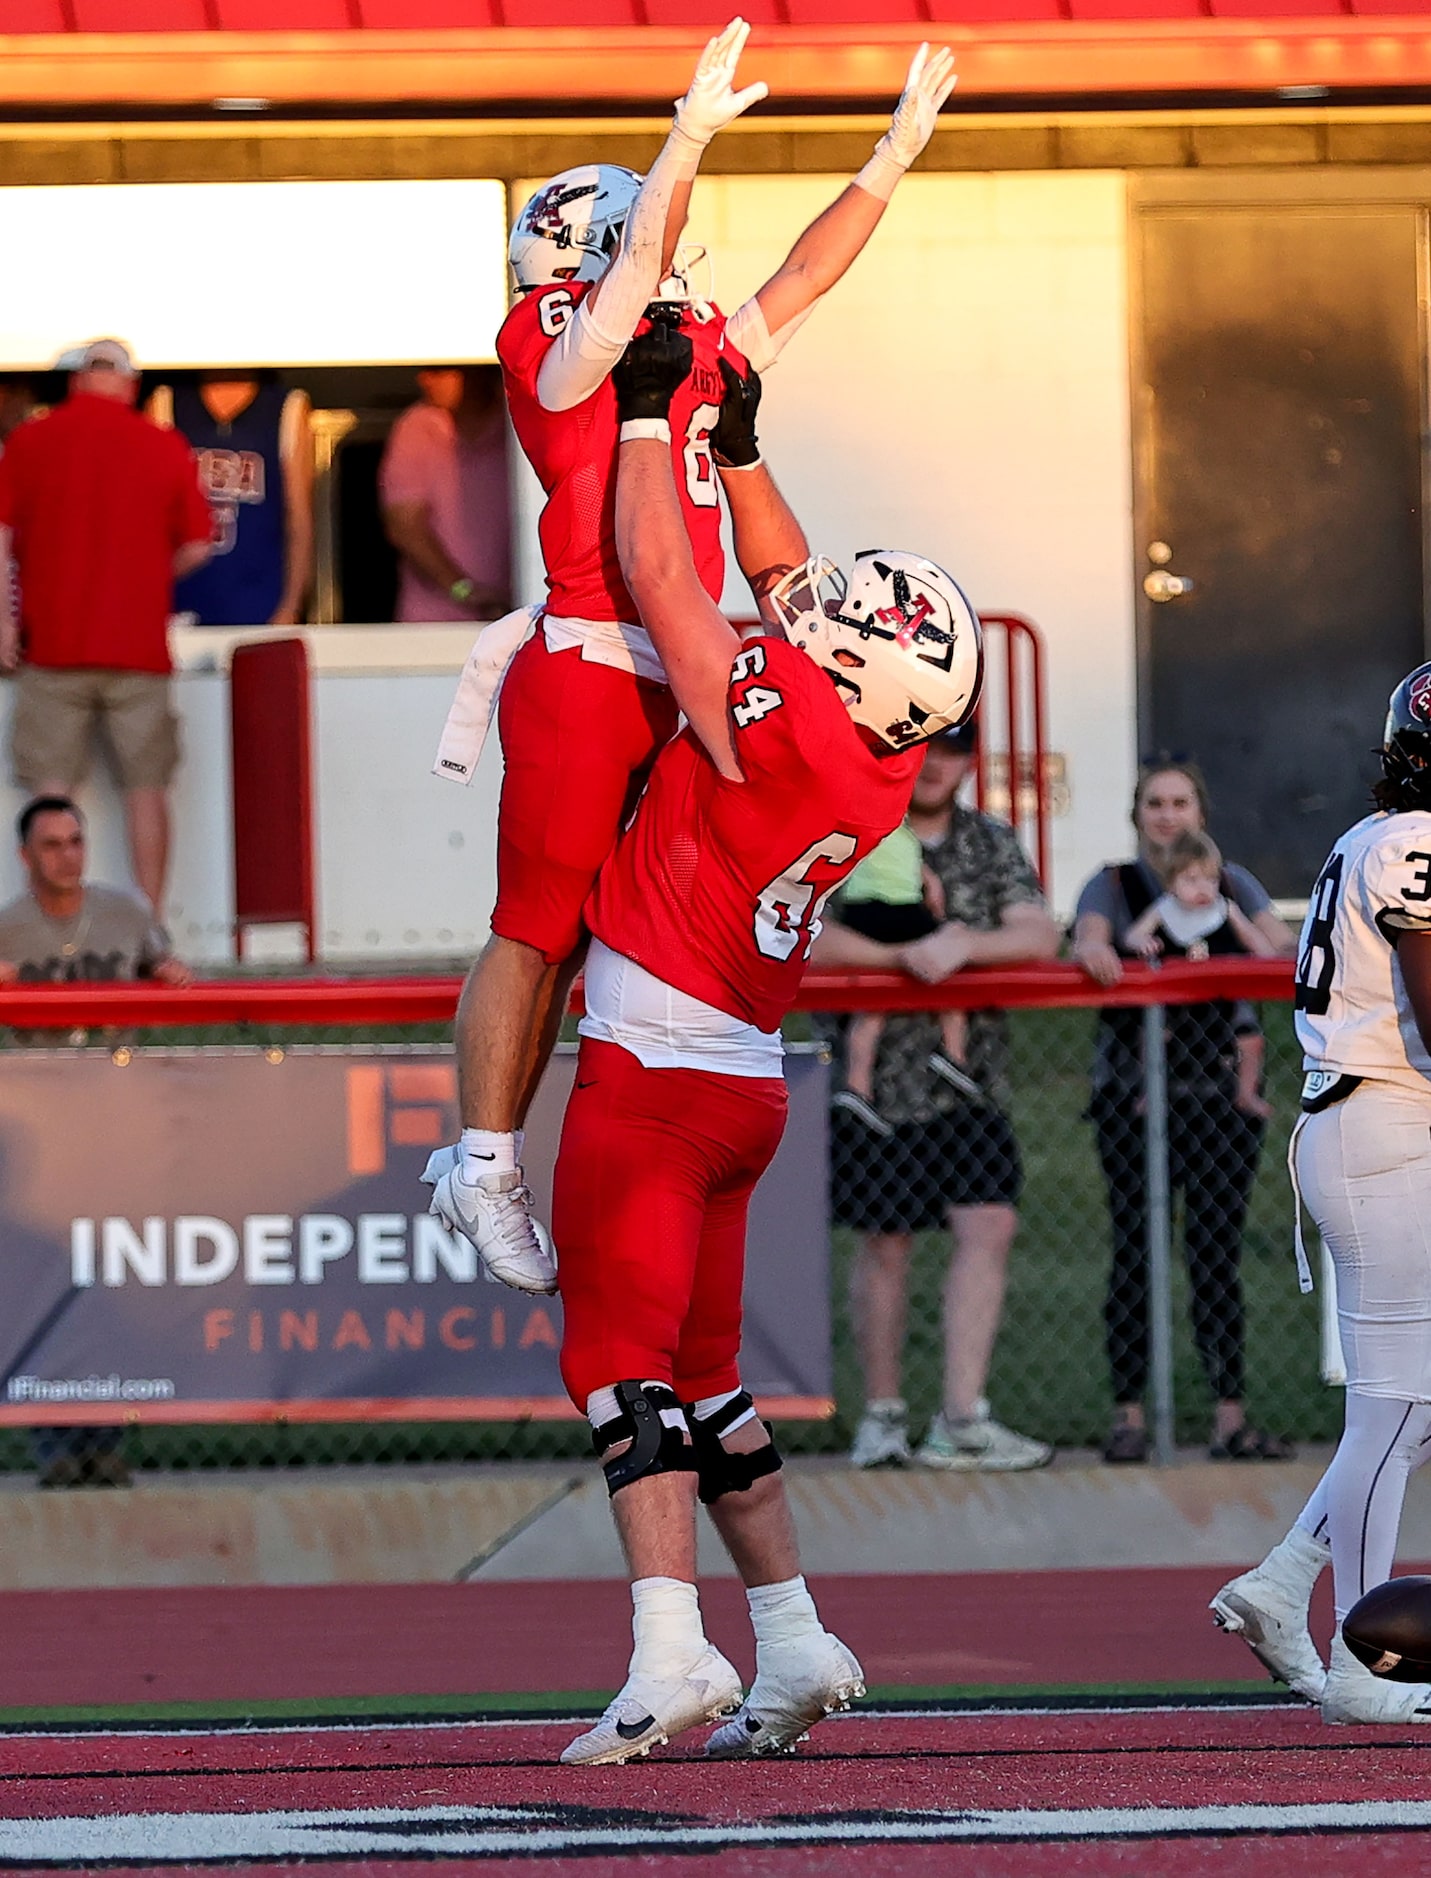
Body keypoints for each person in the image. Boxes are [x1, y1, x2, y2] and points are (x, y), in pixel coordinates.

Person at [426, 22, 959, 1294]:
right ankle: (484, 1161)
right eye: (654, 244)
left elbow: (799, 283)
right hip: (592, 661)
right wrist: (684, 142)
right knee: (538, 924)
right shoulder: (556, 341)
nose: (682, 266)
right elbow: (610, 323)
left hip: (681, 676)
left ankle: (603, 1133)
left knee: (628, 932)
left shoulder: (678, 347)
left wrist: (887, 161)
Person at [550, 324, 981, 1766]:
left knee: (619, 1365)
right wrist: (735, 446)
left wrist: (637, 417)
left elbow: (669, 581)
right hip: (740, 1083)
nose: (814, 602)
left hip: (658, 1067)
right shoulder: (878, 746)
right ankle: (794, 1635)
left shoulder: (779, 717)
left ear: (846, 661)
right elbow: (788, 584)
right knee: (713, 1375)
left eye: (840, 613)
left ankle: (669, 1645)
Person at [1210, 663, 1431, 1724]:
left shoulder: (1370, 837)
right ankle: (1361, 1666)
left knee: (1413, 1402)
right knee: (1394, 1405)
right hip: (1384, 1129)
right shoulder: (1411, 844)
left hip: (1369, 1125)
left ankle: (1287, 1579)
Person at [809, 721, 1061, 1472]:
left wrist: (961, 946)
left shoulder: (987, 840)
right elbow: (801, 934)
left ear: (967, 762)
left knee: (988, 1226)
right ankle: (882, 1417)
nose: (933, 766)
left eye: (951, 751)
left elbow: (1036, 932)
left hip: (969, 1080)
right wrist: (902, 957)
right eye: (921, 749)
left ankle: (961, 1418)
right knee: (884, 1244)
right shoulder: (849, 830)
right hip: (876, 1090)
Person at [1071, 763, 1297, 1464]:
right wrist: (1099, 952)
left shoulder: (1231, 884)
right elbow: (1087, 939)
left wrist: (1237, 928)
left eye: (1179, 803)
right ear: (1135, 813)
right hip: (1136, 1093)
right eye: (1153, 804)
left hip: (1221, 1092)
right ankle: (1129, 1415)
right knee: (1135, 1249)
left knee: (1214, 1252)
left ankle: (1229, 1415)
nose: (1166, 815)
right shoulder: (1112, 885)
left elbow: (1280, 949)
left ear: (1199, 811)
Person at [0, 794, 192, 1488]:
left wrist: (168, 979)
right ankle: (56, 1445)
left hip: (118, 1119)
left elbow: (166, 972)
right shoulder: (10, 928)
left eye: (76, 841)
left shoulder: (124, 912)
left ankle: (105, 1440)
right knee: (46, 1286)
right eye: (52, 844)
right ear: (26, 857)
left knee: (113, 1286)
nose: (68, 855)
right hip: (46, 1127)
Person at [0, 339, 212, 916]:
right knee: (146, 790)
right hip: (138, 650)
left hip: (51, 647)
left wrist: (4, 622)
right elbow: (196, 543)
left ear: (75, 382)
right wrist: (144, 573)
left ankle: (48, 927)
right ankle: (150, 929)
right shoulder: (162, 444)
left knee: (50, 791)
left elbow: (1, 537)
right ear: (129, 385)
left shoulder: (30, 440)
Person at [152, 371, 314, 627]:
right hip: (182, 604)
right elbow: (149, 519)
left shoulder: (287, 408)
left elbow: (299, 517)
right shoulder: (166, 403)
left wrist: (290, 607)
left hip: (261, 603)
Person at [833, 819, 969, 1122]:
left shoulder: (883, 829)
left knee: (870, 1009)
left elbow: (920, 871)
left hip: (863, 911)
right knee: (949, 963)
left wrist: (930, 884)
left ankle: (857, 1086)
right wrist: (933, 894)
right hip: (896, 908)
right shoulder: (887, 826)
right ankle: (955, 1057)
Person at [379, 366, 511, 624]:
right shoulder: (415, 427)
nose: (423, 378)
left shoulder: (519, 422)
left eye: (438, 369)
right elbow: (405, 526)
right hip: (431, 627)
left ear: (477, 371)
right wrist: (464, 590)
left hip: (518, 618)